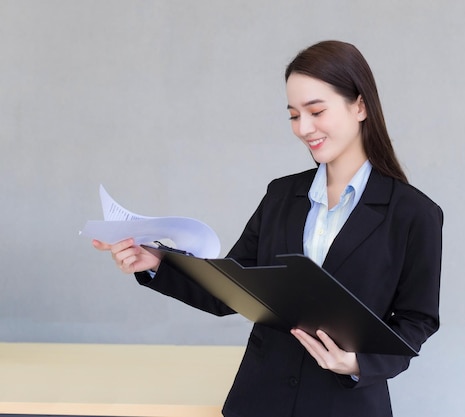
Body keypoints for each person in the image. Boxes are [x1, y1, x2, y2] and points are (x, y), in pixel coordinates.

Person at [93, 40, 443, 417]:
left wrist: (359, 364)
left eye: (316, 111)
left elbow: (417, 320)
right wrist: (155, 261)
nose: (303, 128)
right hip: (259, 401)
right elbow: (228, 290)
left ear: (359, 105)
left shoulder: (413, 213)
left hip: (346, 405)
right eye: (293, 115)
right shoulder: (281, 195)